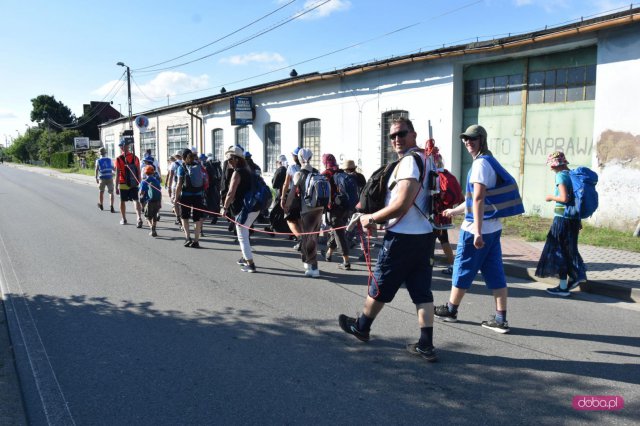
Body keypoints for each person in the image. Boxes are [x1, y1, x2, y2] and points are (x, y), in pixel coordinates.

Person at [338, 117, 438, 362]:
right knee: (421, 290)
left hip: (403, 237)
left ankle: (362, 326)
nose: (396, 139)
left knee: (380, 283)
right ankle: (426, 344)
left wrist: (370, 219)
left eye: (401, 134)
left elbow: (401, 204)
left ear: (413, 134)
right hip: (425, 235)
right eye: (392, 136)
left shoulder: (409, 162)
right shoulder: (429, 159)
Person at [434, 124, 511, 334]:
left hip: (476, 231)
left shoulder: (480, 165)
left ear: (482, 140)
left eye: (473, 138)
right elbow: (472, 200)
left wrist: (476, 231)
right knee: (496, 273)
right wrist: (454, 211)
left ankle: (451, 310)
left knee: (462, 269)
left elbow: (478, 199)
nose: (468, 142)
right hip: (493, 229)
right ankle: (500, 319)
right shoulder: (490, 161)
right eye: (465, 139)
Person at [535, 151, 587, 296]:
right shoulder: (571, 175)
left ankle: (567, 284)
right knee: (567, 250)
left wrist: (550, 197)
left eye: (551, 164)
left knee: (559, 252)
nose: (550, 167)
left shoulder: (560, 175)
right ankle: (570, 280)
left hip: (562, 220)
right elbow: (575, 200)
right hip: (573, 219)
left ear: (554, 164)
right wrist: (578, 219)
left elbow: (564, 198)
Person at [222, 146, 261, 273]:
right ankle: (245, 258)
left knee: (242, 236)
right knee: (244, 233)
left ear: (237, 159)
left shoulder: (237, 173)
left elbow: (230, 193)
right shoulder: (249, 169)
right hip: (255, 206)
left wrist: (224, 208)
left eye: (230, 159)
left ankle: (250, 264)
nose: (228, 162)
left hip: (244, 209)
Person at [292, 148, 325, 277]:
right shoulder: (317, 172)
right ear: (310, 158)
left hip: (307, 210)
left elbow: (293, 192)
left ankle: (314, 267)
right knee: (312, 237)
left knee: (309, 238)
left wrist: (287, 205)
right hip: (319, 209)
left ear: (300, 159)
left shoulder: (299, 174)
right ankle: (308, 261)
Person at [321, 153, 352, 270]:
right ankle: (329, 254)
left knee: (339, 234)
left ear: (325, 162)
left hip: (334, 208)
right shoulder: (341, 172)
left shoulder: (325, 174)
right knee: (337, 230)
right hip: (345, 207)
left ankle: (346, 261)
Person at [174, 149, 205, 248]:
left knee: (185, 217)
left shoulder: (181, 167)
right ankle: (196, 241)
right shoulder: (198, 165)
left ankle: (188, 238)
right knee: (197, 218)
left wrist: (176, 197)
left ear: (183, 157)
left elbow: (179, 184)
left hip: (186, 196)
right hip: (198, 195)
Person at [114, 139, 143, 227]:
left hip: (123, 183)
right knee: (136, 200)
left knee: (122, 201)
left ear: (122, 147)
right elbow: (138, 172)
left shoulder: (118, 159)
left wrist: (116, 186)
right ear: (128, 147)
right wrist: (140, 183)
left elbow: (117, 173)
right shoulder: (135, 157)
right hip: (134, 183)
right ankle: (138, 218)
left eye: (120, 146)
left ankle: (124, 219)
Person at [281, 147, 303, 246]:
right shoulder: (309, 167)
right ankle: (304, 239)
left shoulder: (292, 167)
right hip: (306, 198)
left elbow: (286, 184)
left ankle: (301, 239)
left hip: (294, 197)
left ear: (295, 157)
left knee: (290, 220)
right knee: (300, 220)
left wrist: (283, 198)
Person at [139, 165, 162, 237]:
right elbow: (159, 191)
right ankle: (154, 228)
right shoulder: (156, 181)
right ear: (153, 172)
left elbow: (142, 193)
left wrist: (141, 197)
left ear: (145, 173)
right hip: (157, 200)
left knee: (147, 217)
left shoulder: (144, 182)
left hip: (149, 202)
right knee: (154, 216)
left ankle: (152, 228)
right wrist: (160, 202)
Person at [203, 153, 222, 225]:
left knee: (209, 201)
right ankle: (215, 214)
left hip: (210, 186)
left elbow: (206, 177)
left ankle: (213, 215)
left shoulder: (208, 165)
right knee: (216, 200)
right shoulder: (217, 164)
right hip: (217, 185)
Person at [95, 147, 115, 213]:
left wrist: (96, 178)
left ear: (99, 153)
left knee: (101, 191)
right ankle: (111, 206)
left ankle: (101, 205)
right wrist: (114, 173)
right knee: (111, 192)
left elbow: (97, 169)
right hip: (109, 177)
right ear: (105, 153)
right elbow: (114, 168)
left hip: (102, 178)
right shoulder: (109, 160)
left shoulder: (98, 160)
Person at [167, 150, 184, 227]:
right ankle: (183, 216)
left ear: (176, 156)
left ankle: (178, 217)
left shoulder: (174, 164)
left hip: (175, 185)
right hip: (184, 186)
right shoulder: (184, 163)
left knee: (175, 201)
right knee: (183, 202)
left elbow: (171, 176)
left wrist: (169, 186)